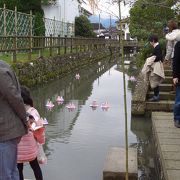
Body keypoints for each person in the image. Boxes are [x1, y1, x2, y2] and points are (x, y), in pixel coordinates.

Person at [0, 60, 28, 180]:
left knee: (6, 173)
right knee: (11, 170)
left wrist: (24, 119)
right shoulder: (4, 65)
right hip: (9, 130)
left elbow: (15, 98)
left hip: (6, 130)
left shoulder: (1, 72)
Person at [17, 86, 45, 180]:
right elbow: (38, 130)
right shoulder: (33, 112)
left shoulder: (15, 111)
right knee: (35, 167)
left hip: (18, 149)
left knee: (19, 168)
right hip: (30, 148)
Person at [148, 35, 164, 101]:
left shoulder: (157, 47)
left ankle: (156, 96)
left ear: (153, 41)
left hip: (156, 66)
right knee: (155, 81)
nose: (150, 43)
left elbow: (159, 57)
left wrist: (151, 59)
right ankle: (156, 96)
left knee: (155, 80)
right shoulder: (157, 47)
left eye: (150, 41)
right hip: (157, 65)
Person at [172, 41, 180, 128]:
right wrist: (175, 76)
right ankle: (177, 118)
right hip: (179, 77)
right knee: (178, 101)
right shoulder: (178, 44)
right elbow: (176, 61)